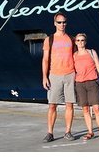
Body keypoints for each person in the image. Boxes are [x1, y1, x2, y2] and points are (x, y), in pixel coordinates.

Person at [41, 12, 77, 143]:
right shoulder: (49, 40)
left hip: (70, 74)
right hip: (54, 75)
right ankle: (50, 133)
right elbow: (45, 60)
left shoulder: (71, 39)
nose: (62, 24)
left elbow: (75, 57)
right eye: (59, 22)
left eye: (64, 22)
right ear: (54, 23)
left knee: (70, 105)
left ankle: (68, 132)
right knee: (52, 105)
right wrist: (45, 77)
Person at [73, 33, 99, 140]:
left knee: (97, 108)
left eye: (82, 40)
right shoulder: (74, 55)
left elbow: (98, 67)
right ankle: (90, 132)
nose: (81, 42)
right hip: (80, 84)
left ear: (85, 41)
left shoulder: (91, 52)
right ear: (75, 42)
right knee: (85, 109)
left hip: (92, 83)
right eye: (78, 40)